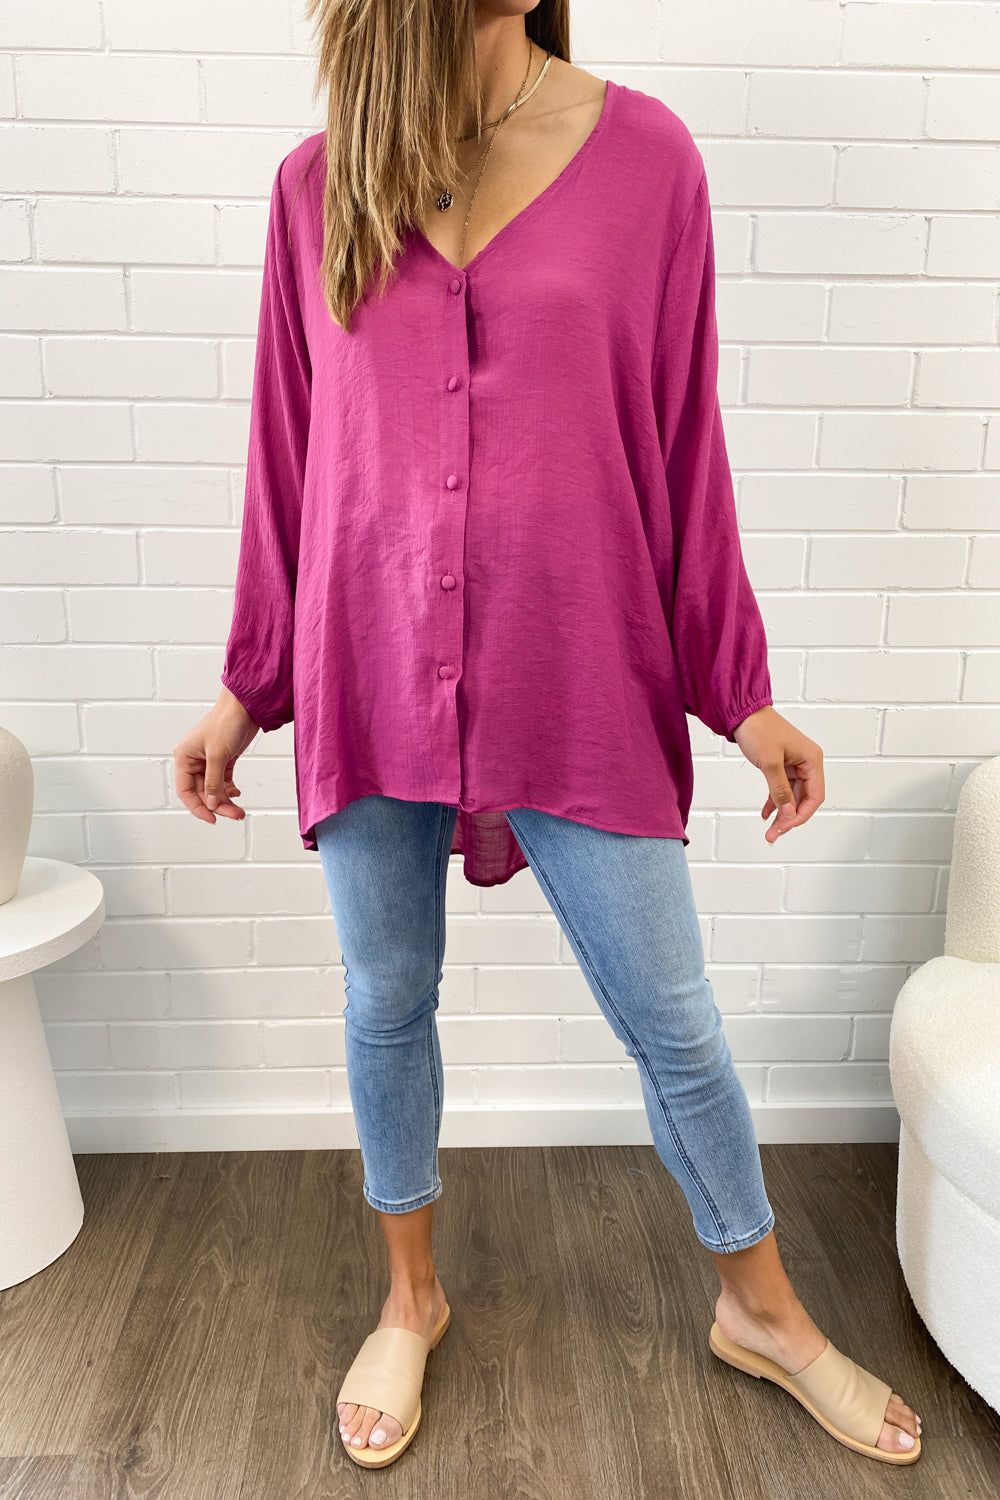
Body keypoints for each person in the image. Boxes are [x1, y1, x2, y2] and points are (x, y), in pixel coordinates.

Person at [173, 0, 923, 1473]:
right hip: (369, 662)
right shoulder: (318, 184)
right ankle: (411, 1299)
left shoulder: (648, 160)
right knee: (387, 998)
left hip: (579, 665)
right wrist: (249, 685)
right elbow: (289, 457)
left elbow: (684, 446)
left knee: (673, 1019)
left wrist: (740, 689)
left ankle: (763, 1310)